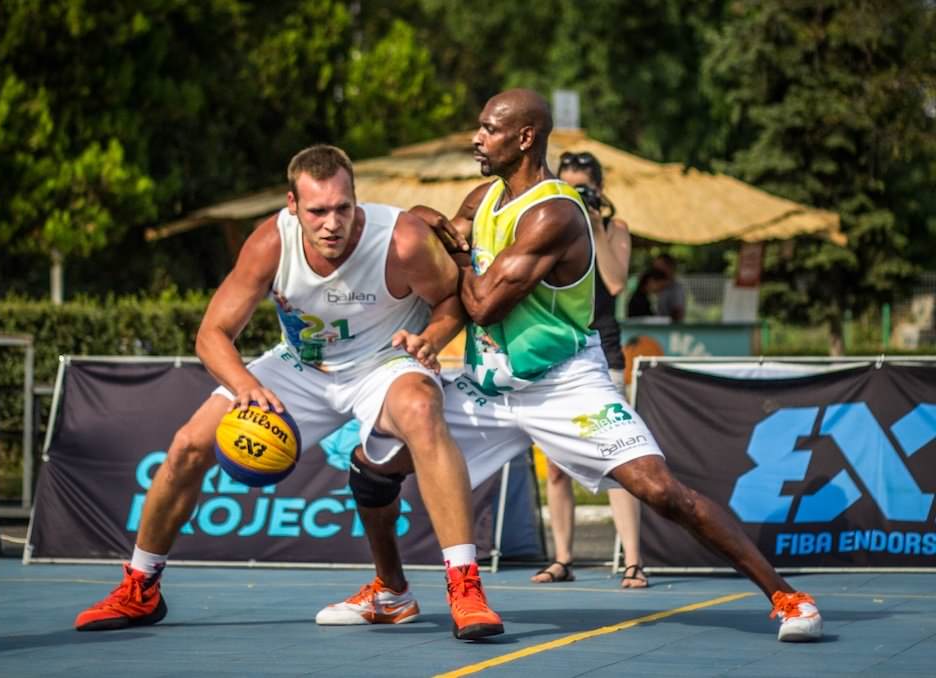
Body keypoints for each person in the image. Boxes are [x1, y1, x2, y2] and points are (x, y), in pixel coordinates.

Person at [319, 90, 823, 643]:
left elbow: (483, 301)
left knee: (659, 491)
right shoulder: (483, 197)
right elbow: (433, 238)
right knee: (372, 463)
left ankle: (788, 597)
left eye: (489, 129)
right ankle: (391, 591)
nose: (477, 138)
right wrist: (424, 227)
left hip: (564, 383)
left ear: (526, 137)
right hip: (491, 384)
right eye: (479, 128)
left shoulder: (555, 213)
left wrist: (455, 250)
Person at [74, 144, 504, 641]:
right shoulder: (270, 242)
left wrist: (430, 340)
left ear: (356, 200)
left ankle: (465, 587)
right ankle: (140, 586)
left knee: (422, 408)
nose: (332, 223)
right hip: (301, 365)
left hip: (383, 361)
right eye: (317, 211)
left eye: (343, 208)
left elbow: (452, 300)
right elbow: (211, 334)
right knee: (189, 443)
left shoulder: (401, 239)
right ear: (292, 205)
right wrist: (246, 388)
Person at [528, 150, 646, 588]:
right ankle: (562, 558)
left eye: (585, 189)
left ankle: (633, 560)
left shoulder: (614, 229)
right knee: (555, 465)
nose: (577, 195)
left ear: (599, 191)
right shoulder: (549, 227)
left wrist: (594, 225)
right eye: (570, 187)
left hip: (604, 355)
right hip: (556, 354)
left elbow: (615, 282)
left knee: (621, 456)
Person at [651, 253, 686, 322]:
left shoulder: (676, 288)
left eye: (659, 267)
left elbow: (678, 313)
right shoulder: (660, 287)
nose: (655, 270)